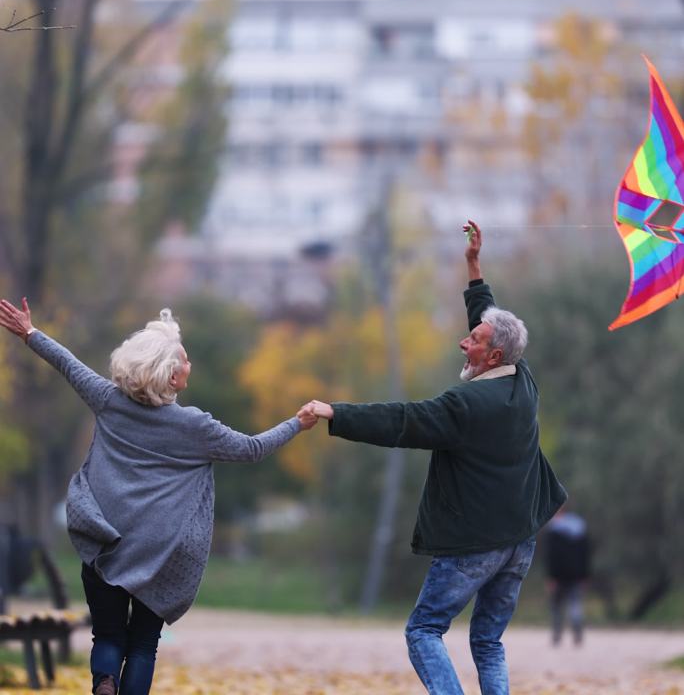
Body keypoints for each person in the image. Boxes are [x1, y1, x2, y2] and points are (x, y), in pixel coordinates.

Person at [300, 220, 567, 695]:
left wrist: (333, 412)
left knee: (423, 631)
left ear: (493, 355)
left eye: (474, 341)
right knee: (488, 641)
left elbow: (400, 421)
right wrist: (473, 264)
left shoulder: (462, 406)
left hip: (476, 543)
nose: (464, 342)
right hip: (520, 539)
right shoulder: (522, 381)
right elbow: (488, 317)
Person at [0, 299, 317, 695]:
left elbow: (68, 364)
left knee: (108, 635)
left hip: (106, 540)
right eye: (184, 360)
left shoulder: (107, 400)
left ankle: (103, 680)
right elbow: (252, 449)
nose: (189, 364)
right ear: (170, 377)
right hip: (160, 553)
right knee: (144, 644)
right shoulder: (195, 426)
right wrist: (297, 424)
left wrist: (29, 333)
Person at [545, 507, 591, 646]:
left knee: (557, 607)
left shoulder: (554, 531)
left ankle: (557, 636)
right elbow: (585, 555)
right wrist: (585, 575)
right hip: (577, 575)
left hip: (558, 577)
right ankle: (577, 635)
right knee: (575, 605)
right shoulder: (580, 529)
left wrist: (551, 577)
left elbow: (551, 557)